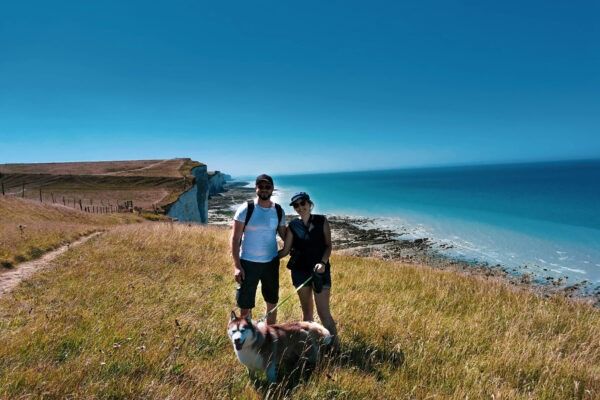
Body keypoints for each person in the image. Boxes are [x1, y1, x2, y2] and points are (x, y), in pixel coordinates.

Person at [278, 192, 338, 341]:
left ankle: (335, 348)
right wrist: (267, 258)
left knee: (324, 314)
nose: (300, 207)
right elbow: (286, 250)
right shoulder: (293, 225)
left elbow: (328, 246)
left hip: (320, 272)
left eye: (302, 203)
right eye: (296, 205)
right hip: (300, 273)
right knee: (307, 316)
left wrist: (323, 263)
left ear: (309, 204)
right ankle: (310, 348)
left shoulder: (321, 221)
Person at [231, 174, 286, 325]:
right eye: (260, 186)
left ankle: (271, 335)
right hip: (248, 263)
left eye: (267, 186)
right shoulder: (246, 208)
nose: (264, 189)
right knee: (245, 304)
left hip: (271, 264)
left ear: (272, 189)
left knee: (272, 300)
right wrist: (237, 266)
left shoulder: (279, 210)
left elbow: (285, 236)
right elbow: (235, 239)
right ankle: (247, 336)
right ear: (256, 188)